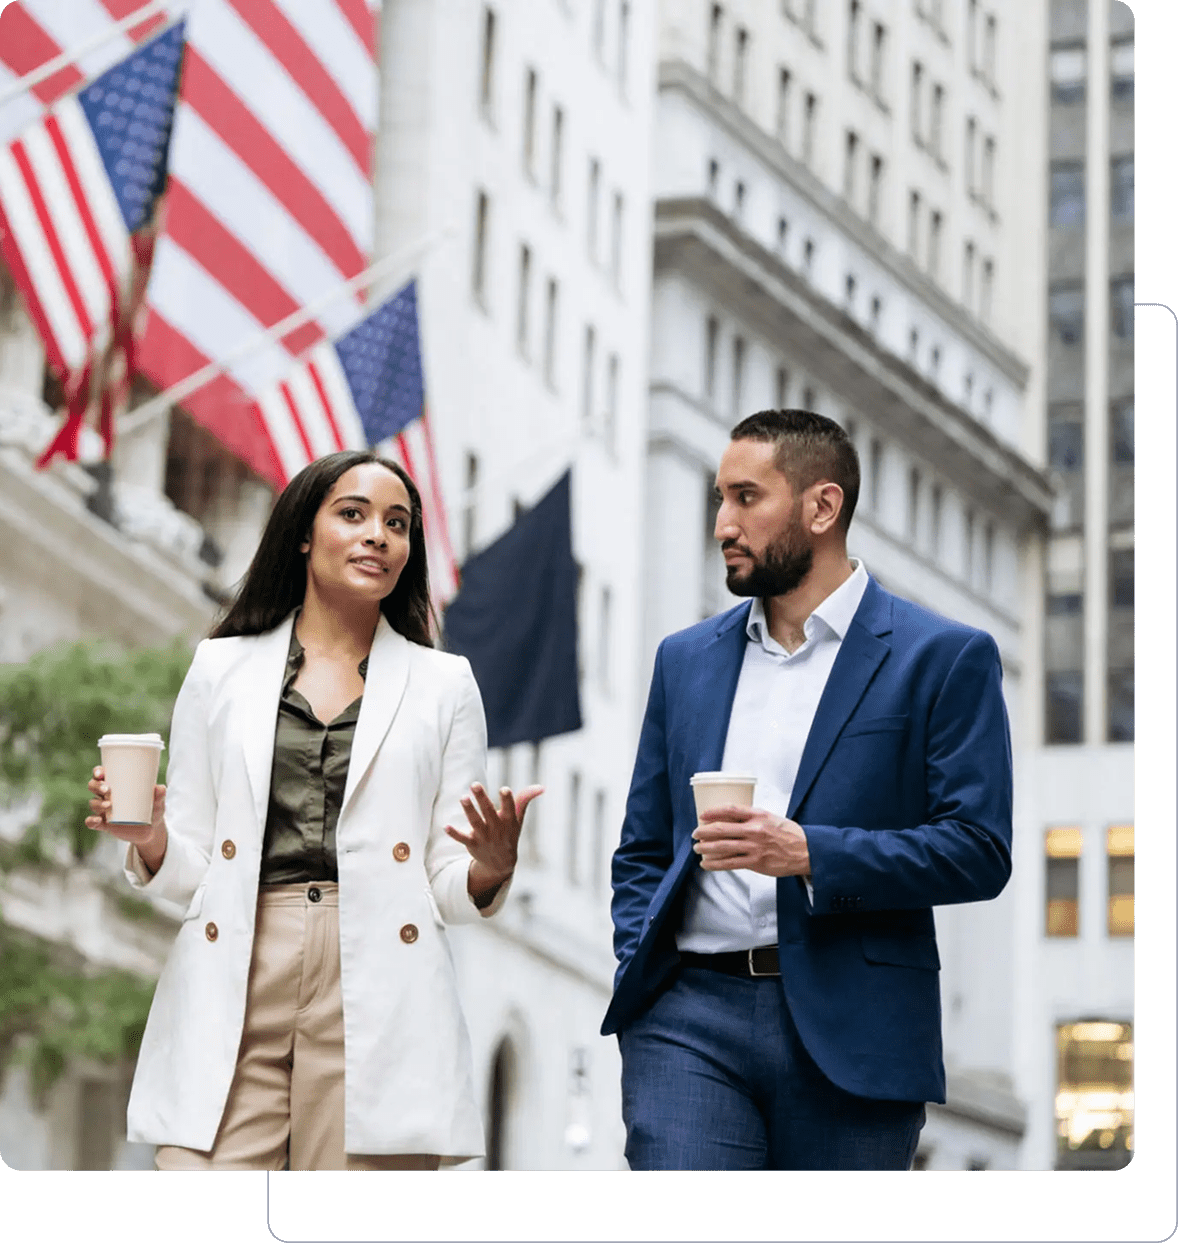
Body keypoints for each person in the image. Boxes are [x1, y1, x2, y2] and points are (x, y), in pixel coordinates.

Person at [86, 449, 541, 1171]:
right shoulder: (221, 668)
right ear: (305, 531)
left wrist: (489, 868)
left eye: (397, 524)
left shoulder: (445, 685)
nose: (378, 537)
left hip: (379, 979)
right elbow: (191, 871)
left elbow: (444, 884)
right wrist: (150, 837)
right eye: (353, 515)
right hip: (240, 960)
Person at [603, 409, 1013, 1171]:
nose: (723, 522)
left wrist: (807, 853)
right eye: (719, 498)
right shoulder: (685, 659)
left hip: (855, 1027)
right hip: (689, 1015)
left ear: (822, 508)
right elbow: (642, 847)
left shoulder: (944, 658)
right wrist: (640, 963)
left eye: (747, 498)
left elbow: (979, 850)